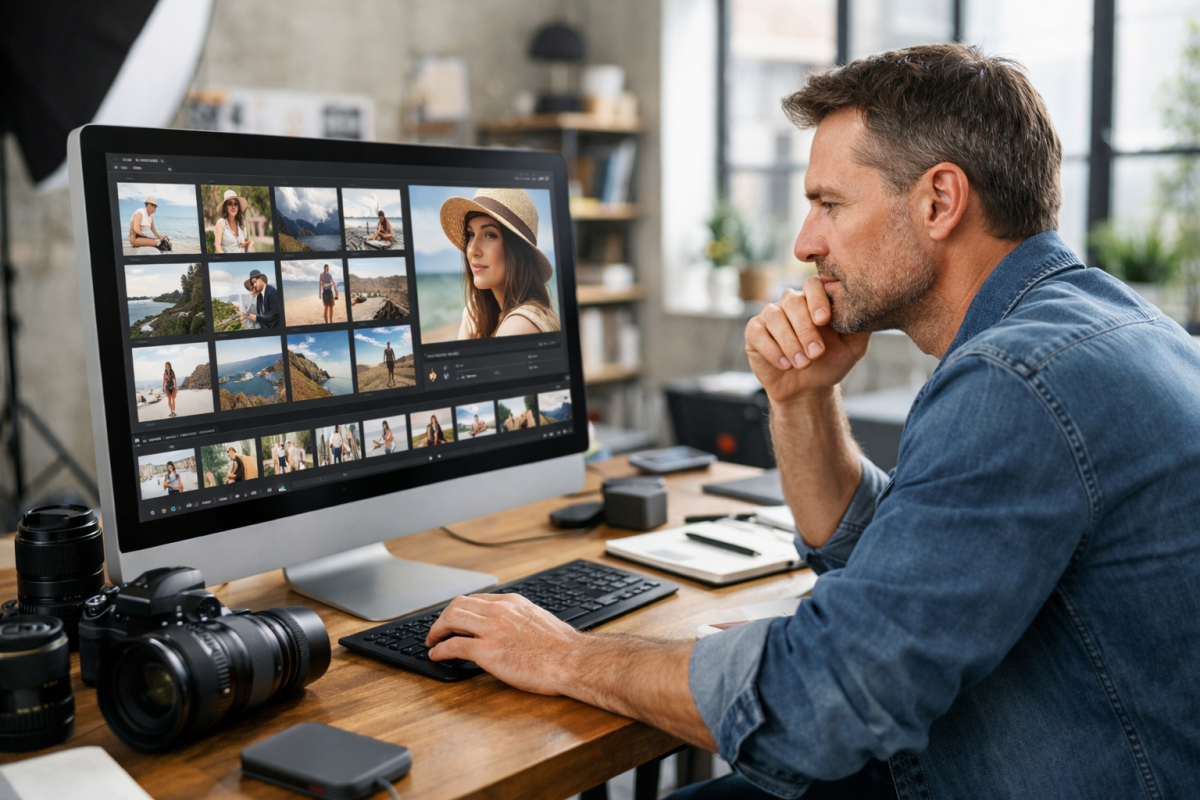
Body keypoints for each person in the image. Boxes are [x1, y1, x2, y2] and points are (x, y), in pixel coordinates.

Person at [421, 45, 1200, 799]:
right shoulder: (1106, 327)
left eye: (829, 204)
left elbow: (824, 699)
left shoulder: (1014, 382)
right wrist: (801, 398)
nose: (805, 244)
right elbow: (897, 563)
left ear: (939, 200)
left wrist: (565, 655)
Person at [439, 188, 561, 340]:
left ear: (516, 250)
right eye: (471, 234)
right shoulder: (513, 317)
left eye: (489, 235)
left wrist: (466, 331)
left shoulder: (518, 326)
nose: (472, 249)